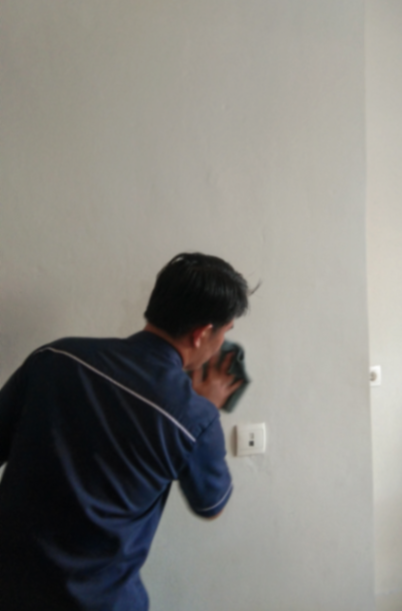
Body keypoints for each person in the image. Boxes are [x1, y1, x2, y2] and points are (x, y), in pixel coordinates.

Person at [0, 252, 250, 611]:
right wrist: (204, 407)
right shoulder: (194, 418)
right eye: (224, 332)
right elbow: (211, 505)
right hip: (99, 601)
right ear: (201, 334)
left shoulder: (57, 356)